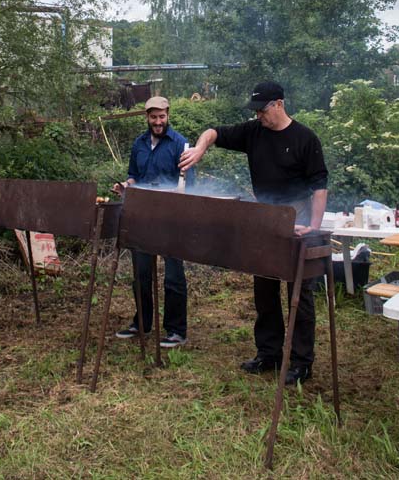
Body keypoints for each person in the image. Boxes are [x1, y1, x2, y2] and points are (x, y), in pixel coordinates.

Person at [179, 80, 328, 384]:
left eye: (262, 110)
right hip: (265, 218)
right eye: (256, 111)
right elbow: (213, 132)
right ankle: (268, 353)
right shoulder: (253, 132)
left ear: (279, 104)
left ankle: (301, 362)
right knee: (264, 288)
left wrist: (313, 227)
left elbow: (319, 187)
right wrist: (200, 148)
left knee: (299, 293)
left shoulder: (305, 138)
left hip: (297, 215)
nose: (258, 115)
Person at [113, 96, 194, 347]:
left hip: (171, 219)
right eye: (153, 117)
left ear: (168, 115)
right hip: (143, 218)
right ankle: (142, 323)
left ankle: (176, 330)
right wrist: (125, 185)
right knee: (141, 273)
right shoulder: (139, 144)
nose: (158, 122)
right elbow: (134, 176)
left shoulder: (180, 144)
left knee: (173, 276)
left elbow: (188, 185)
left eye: (161, 117)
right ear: (146, 117)